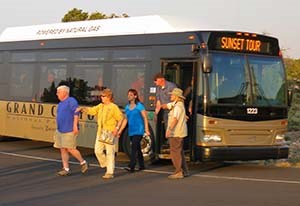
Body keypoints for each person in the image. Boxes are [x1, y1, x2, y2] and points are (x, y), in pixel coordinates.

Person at [78, 88, 123, 179]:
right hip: (100, 132)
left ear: (109, 97)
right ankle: (106, 164)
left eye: (103, 96)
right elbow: (92, 111)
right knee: (97, 151)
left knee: (110, 152)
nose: (101, 98)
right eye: (101, 96)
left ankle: (110, 172)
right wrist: (83, 109)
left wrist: (116, 129)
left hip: (110, 132)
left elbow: (120, 118)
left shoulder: (113, 107)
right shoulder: (100, 106)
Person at [54, 85, 88, 176]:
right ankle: (65, 168)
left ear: (65, 92)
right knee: (62, 149)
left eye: (58, 92)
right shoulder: (61, 103)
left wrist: (75, 126)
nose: (57, 94)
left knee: (70, 148)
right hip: (60, 129)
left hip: (69, 129)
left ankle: (83, 162)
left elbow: (76, 112)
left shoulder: (71, 101)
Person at [118, 89, 150, 172]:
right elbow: (125, 119)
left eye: (131, 95)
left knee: (133, 147)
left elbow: (145, 118)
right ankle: (142, 165)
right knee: (137, 148)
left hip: (139, 130)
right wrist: (120, 130)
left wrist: (146, 129)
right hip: (131, 130)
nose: (129, 96)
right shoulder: (127, 107)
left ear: (135, 96)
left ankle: (131, 165)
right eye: (128, 94)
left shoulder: (140, 106)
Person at [164, 88, 189, 179]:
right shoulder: (177, 105)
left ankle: (178, 172)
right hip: (179, 132)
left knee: (175, 153)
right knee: (180, 152)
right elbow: (167, 106)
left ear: (177, 97)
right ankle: (184, 171)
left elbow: (175, 119)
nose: (171, 96)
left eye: (172, 95)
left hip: (176, 133)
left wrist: (169, 130)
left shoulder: (178, 106)